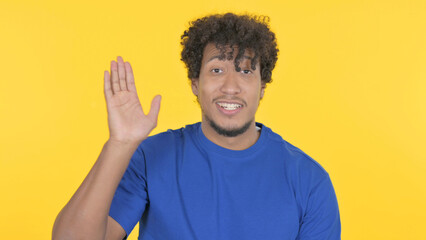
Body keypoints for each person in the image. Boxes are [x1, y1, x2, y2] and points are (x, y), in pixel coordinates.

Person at [52, 13, 341, 240]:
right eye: (217, 70)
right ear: (195, 84)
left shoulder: (310, 181)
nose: (231, 87)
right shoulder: (148, 157)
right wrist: (120, 143)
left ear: (261, 87)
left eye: (245, 71)